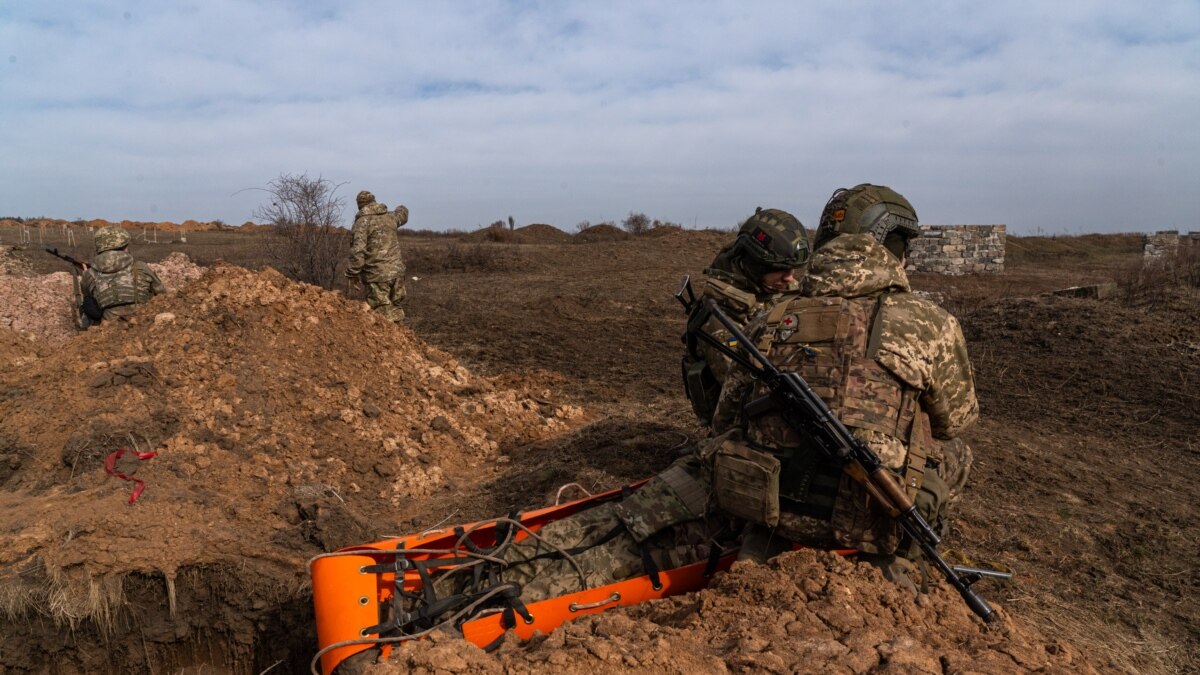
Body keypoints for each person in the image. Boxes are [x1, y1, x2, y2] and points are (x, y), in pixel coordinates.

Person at [711, 184, 978, 590]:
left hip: (772, 518)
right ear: (894, 245)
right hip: (871, 520)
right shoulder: (930, 322)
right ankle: (909, 554)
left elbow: (724, 420)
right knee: (956, 452)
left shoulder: (771, 316)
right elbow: (955, 421)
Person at [682, 207, 810, 425]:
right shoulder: (719, 317)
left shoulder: (773, 287)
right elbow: (741, 387)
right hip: (743, 418)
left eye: (793, 269)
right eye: (781, 269)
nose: (790, 278)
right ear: (755, 265)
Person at [80, 225, 166, 323]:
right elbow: (162, 295)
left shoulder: (88, 275)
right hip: (144, 324)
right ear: (124, 246)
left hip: (108, 329)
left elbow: (89, 303)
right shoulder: (140, 267)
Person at [345, 190, 407, 323]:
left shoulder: (362, 223)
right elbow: (403, 214)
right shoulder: (390, 217)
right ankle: (401, 339)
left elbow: (358, 251)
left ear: (359, 205)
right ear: (374, 200)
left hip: (377, 275)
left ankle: (391, 341)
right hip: (397, 273)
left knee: (383, 314)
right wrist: (401, 207)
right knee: (396, 309)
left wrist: (353, 274)